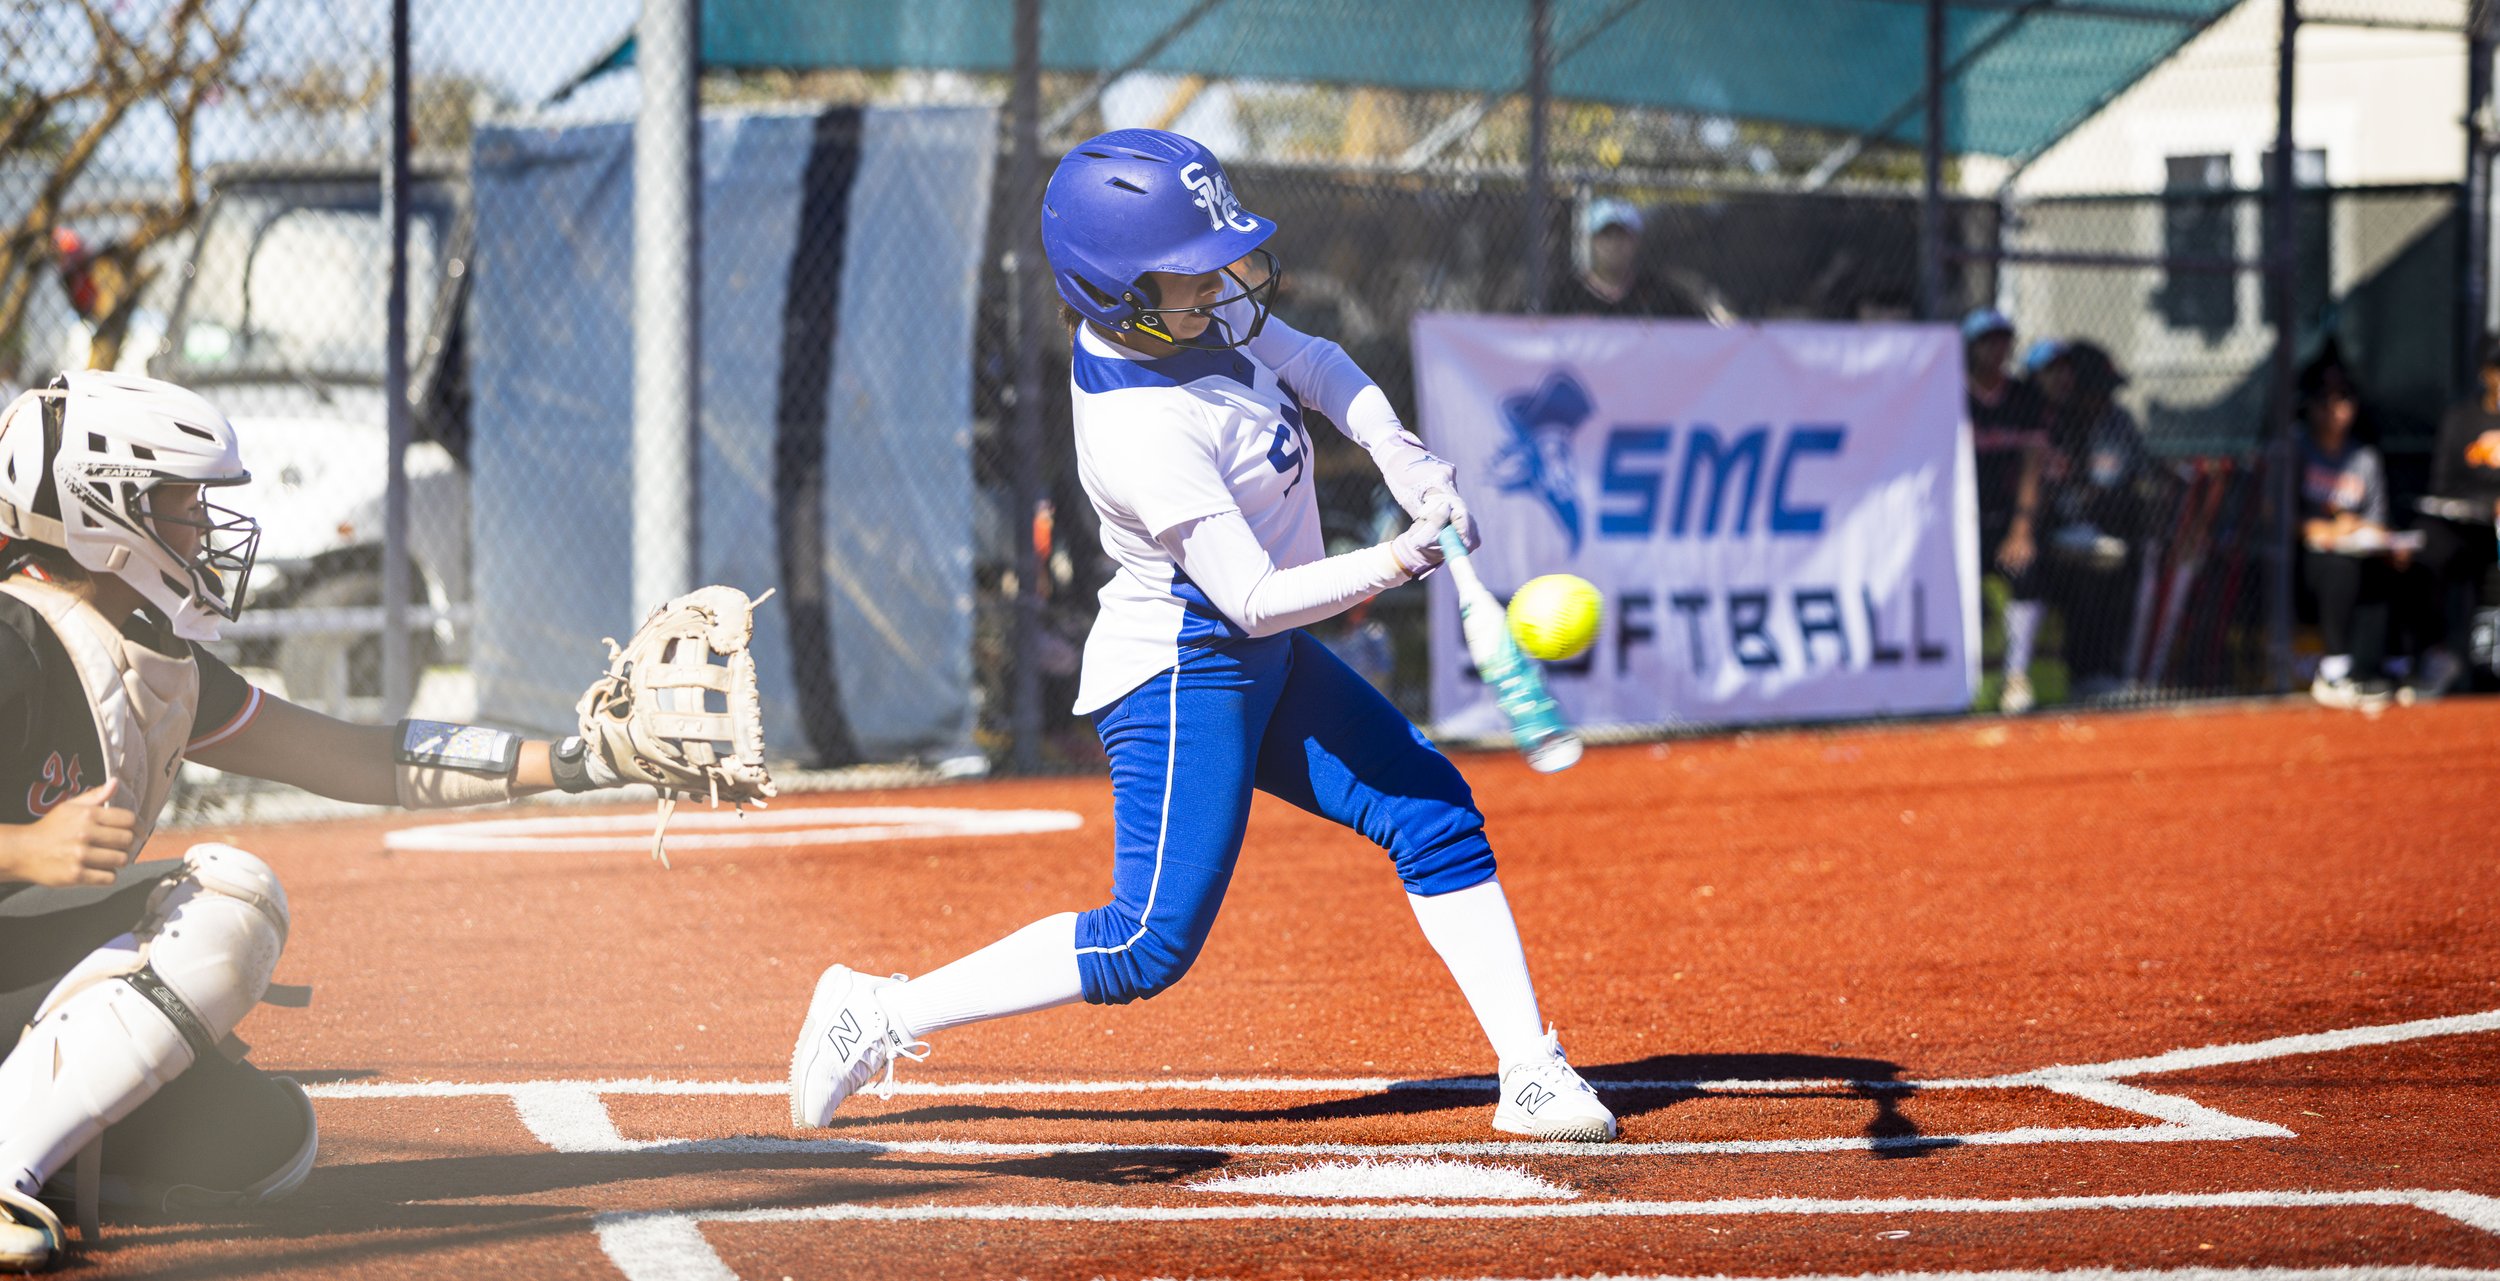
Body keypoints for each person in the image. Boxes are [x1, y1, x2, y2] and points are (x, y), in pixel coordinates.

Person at [789, 129, 1617, 1143]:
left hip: (1252, 656)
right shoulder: (1143, 431)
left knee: (1430, 809)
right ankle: (874, 1015)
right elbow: (1257, 598)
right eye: (1188, 270)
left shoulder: (1190, 320)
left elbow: (1314, 362)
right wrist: (1404, 559)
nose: (1221, 281)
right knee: (1147, 941)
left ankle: (1529, 1072)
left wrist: (1401, 457)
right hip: (1184, 670)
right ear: (1115, 291)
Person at [0, 371, 682, 1270]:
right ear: (103, 510)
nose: (203, 527)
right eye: (177, 502)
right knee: (233, 895)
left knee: (262, 1143)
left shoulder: (150, 663)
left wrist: (581, 759)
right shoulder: (15, 644)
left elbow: (362, 755)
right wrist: (23, 846)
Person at [2034, 342, 2162, 698]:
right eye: (2095, 393)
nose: (2102, 401)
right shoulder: (2049, 421)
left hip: (2104, 531)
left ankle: (2107, 670)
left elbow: (2125, 481)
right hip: (2054, 535)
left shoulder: (2117, 422)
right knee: (2078, 576)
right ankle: (2083, 674)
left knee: (2119, 564)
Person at [1963, 309, 2050, 714]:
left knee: (2026, 573)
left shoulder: (2024, 398)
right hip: (1961, 524)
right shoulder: (1951, 395)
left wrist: (2022, 530)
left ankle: (2016, 678)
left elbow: (2033, 467)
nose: (1997, 349)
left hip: (2005, 518)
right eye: (1987, 341)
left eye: (2003, 339)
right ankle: (1958, 680)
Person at [2416, 334, 2500, 692]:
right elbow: (2443, 483)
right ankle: (2437, 655)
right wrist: (2486, 504)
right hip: (2468, 527)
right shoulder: (2462, 419)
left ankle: (2488, 665)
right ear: (2486, 374)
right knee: (2429, 549)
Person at [1545, 198, 1704, 320]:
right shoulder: (1565, 294)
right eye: (1607, 235)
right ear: (1592, 241)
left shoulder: (1660, 294)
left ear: (1636, 242)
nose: (1615, 244)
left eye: (1623, 235)